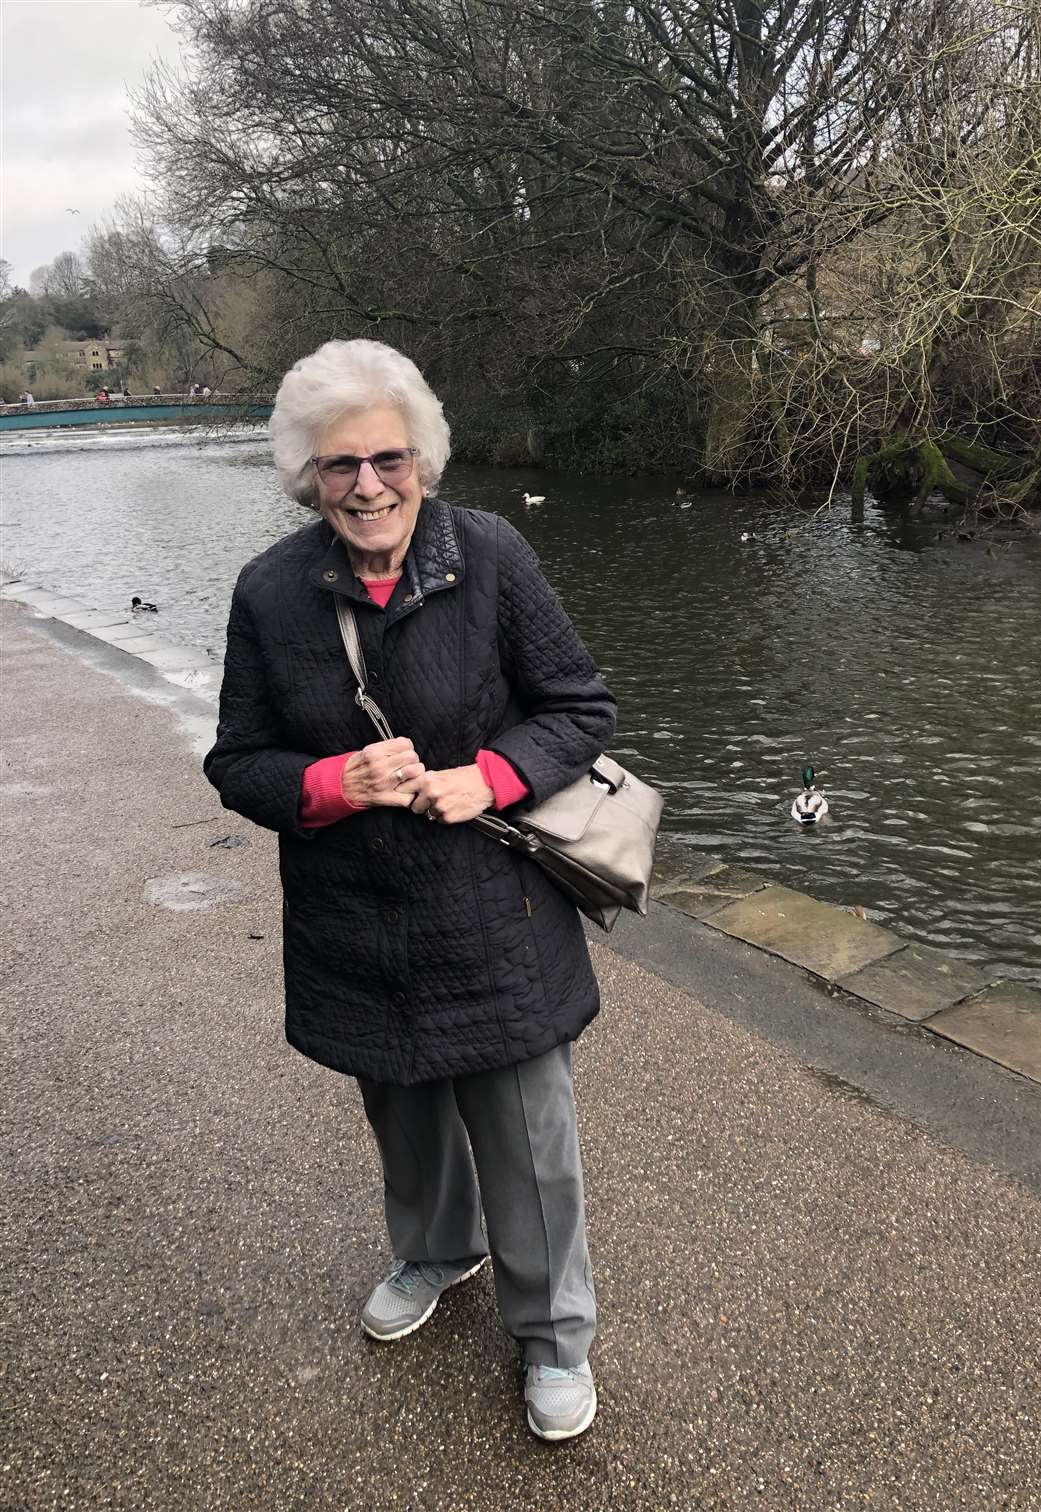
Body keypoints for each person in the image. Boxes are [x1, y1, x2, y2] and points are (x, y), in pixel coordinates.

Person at [205, 338, 615, 1442]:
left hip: (495, 911)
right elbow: (237, 760)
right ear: (307, 474)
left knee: (529, 1142)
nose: (368, 485)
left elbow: (580, 706)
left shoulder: (491, 557)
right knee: (406, 1113)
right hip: (357, 920)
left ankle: (554, 1333)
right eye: (341, 465)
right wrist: (333, 781)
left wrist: (485, 775)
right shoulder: (270, 592)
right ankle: (438, 1249)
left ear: (423, 460)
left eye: (387, 458)